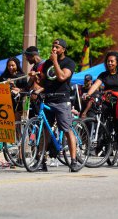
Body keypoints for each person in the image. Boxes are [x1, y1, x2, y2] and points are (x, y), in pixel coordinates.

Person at [39, 38, 78, 172]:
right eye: (53, 46)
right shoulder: (46, 63)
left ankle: (73, 161)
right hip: (48, 99)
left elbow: (62, 77)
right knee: (45, 132)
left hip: (62, 100)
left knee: (67, 130)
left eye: (57, 47)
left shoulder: (69, 62)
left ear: (63, 49)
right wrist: (35, 77)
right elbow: (43, 81)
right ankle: (41, 161)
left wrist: (55, 61)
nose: (54, 49)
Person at [84, 50, 118, 166]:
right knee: (103, 121)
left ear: (117, 63)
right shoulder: (103, 75)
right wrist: (88, 94)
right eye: (108, 61)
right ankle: (102, 140)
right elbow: (95, 85)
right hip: (107, 102)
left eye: (112, 61)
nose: (110, 63)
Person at [23, 46, 45, 117]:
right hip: (33, 99)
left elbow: (48, 84)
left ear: (33, 55)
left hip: (43, 98)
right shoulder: (34, 67)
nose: (26, 59)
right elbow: (29, 83)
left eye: (27, 57)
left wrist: (38, 91)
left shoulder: (45, 65)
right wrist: (21, 91)